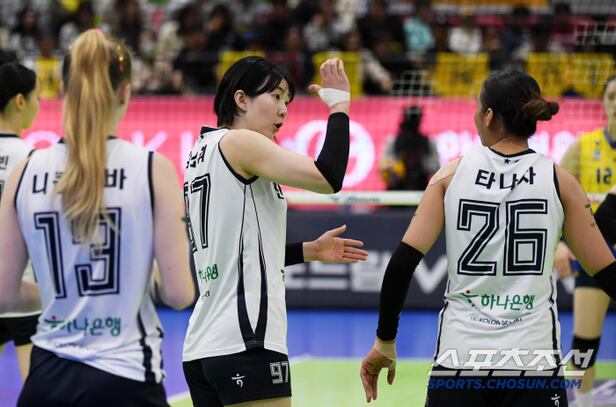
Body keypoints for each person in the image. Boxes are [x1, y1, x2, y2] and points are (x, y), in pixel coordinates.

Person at [360, 70, 616, 407]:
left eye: (478, 107)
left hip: (460, 361)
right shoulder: (561, 182)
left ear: (490, 116)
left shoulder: (449, 176)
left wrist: (385, 342)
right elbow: (608, 275)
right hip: (533, 363)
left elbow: (401, 265)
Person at [0, 29, 195, 406]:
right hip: (127, 378)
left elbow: (4, 295)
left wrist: (63, 293)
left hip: (47, 379)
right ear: (125, 93)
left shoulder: (26, 171)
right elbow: (179, 294)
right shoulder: (152, 168)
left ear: (64, 91)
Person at [182, 56, 367, 407]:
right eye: (276, 96)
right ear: (241, 100)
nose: (283, 110)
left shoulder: (200, 152)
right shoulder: (240, 143)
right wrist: (339, 105)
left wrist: (308, 251)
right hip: (246, 341)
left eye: (287, 101)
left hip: (202, 347)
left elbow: (238, 253)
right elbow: (328, 177)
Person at [554, 74, 616, 407]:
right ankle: (585, 403)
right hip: (597, 257)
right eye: (611, 96)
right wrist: (560, 244)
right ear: (603, 102)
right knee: (584, 344)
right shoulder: (583, 147)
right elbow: (554, 199)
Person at [0, 61, 41, 380]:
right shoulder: (31, 158)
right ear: (20, 101)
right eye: (36, 97)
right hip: (24, 290)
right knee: (36, 390)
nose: (39, 106)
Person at [380, 105, 439, 191]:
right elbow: (384, 167)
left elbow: (436, 167)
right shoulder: (393, 141)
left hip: (420, 186)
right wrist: (399, 164)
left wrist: (420, 161)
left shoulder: (427, 142)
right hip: (397, 188)